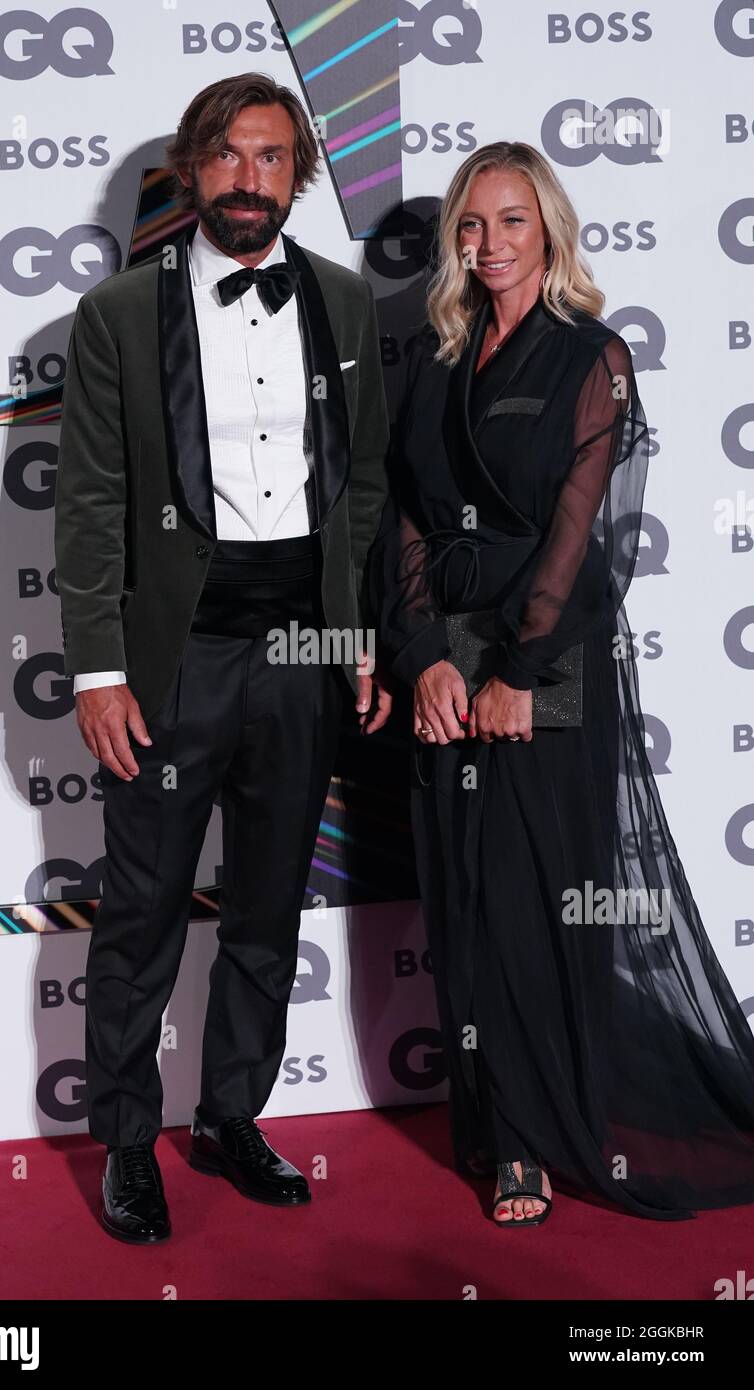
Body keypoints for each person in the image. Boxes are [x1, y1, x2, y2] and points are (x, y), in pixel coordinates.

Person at [368, 140, 754, 1226]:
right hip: (448, 659)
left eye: (511, 223)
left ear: (549, 234)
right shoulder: (437, 363)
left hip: (553, 665)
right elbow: (403, 515)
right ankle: (495, 1133)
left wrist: (518, 674)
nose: (487, 244)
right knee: (467, 901)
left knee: (545, 901)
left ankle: (546, 1132)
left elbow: (582, 538)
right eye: (471, 225)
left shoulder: (593, 354)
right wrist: (423, 656)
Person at [54, 73, 390, 1244]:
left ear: (295, 176)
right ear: (193, 169)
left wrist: (349, 632)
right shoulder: (113, 317)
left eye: (272, 158)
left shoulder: (344, 304)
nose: (250, 179)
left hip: (300, 650)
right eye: (230, 156)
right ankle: (127, 1143)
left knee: (263, 904)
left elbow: (359, 489)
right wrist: (96, 668)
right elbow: (90, 502)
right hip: (172, 659)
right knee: (143, 908)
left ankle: (231, 1116)